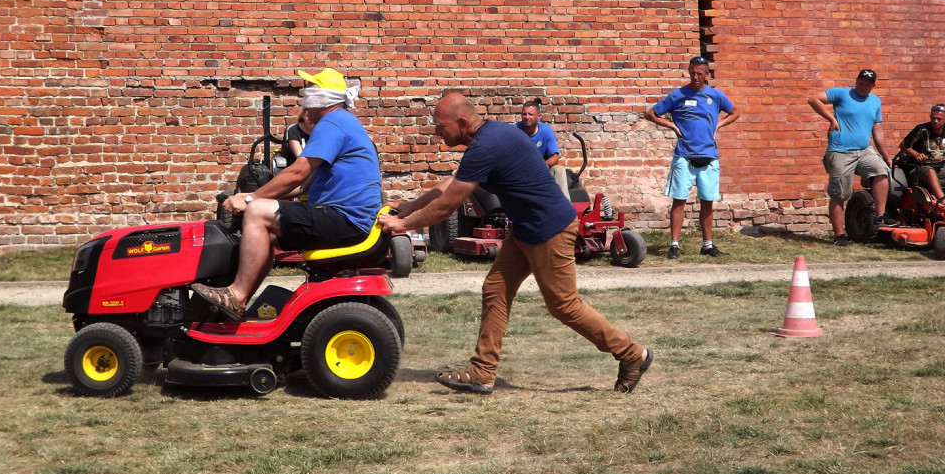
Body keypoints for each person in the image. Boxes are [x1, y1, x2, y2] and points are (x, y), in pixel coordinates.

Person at [379, 92, 651, 395]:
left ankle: (632, 354)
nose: (436, 132)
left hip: (551, 229)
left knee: (564, 306)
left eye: (439, 125)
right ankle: (482, 372)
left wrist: (402, 225)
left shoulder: (487, 144)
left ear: (462, 122)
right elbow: (450, 186)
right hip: (525, 228)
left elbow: (446, 205)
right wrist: (409, 207)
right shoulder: (489, 137)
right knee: (496, 288)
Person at [192, 68, 382, 320]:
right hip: (344, 218)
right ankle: (240, 300)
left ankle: (236, 295)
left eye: (308, 91)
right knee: (265, 229)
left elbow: (297, 172)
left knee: (258, 213)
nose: (303, 101)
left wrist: (251, 200)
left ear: (321, 98)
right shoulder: (344, 122)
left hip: (344, 219)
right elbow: (303, 186)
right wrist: (256, 194)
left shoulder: (333, 123)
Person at [645, 56, 740, 259]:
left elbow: (735, 112)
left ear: (707, 74)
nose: (695, 77)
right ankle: (674, 245)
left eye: (699, 73)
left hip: (709, 156)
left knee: (707, 201)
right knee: (679, 200)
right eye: (692, 72)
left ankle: (707, 244)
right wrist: (671, 125)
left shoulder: (715, 96)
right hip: (684, 156)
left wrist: (718, 126)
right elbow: (651, 114)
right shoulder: (678, 95)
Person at [807, 69, 895, 247]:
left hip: (864, 150)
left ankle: (880, 216)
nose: (863, 86)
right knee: (840, 194)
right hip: (840, 150)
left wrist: (886, 155)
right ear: (856, 81)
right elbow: (813, 99)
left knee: (881, 172)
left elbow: (877, 130)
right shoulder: (842, 94)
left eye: (867, 84)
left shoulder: (875, 101)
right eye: (861, 82)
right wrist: (831, 119)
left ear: (873, 86)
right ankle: (839, 235)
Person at [899, 104, 945, 202]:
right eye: (933, 118)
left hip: (941, 168)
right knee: (930, 171)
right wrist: (916, 154)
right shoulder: (921, 129)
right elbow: (903, 145)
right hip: (920, 168)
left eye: (939, 119)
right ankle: (944, 202)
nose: (935, 121)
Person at [516, 99, 570, 201]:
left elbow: (555, 156)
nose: (527, 117)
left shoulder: (546, 130)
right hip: (521, 174)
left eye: (530, 114)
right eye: (524, 114)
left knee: (559, 169)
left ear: (539, 116)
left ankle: (566, 210)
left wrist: (543, 166)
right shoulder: (515, 130)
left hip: (541, 172)